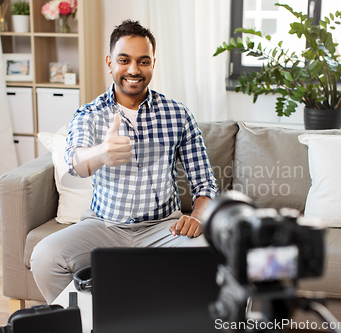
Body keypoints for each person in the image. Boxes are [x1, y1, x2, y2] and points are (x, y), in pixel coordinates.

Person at [30, 19, 219, 303]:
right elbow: (76, 163)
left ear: (153, 63)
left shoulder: (179, 115)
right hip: (104, 227)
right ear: (110, 63)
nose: (133, 70)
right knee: (45, 257)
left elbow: (205, 184)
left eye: (143, 61)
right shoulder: (89, 115)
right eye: (124, 60)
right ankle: (90, 321)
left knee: (217, 256)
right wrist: (102, 152)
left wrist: (198, 217)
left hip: (163, 227)